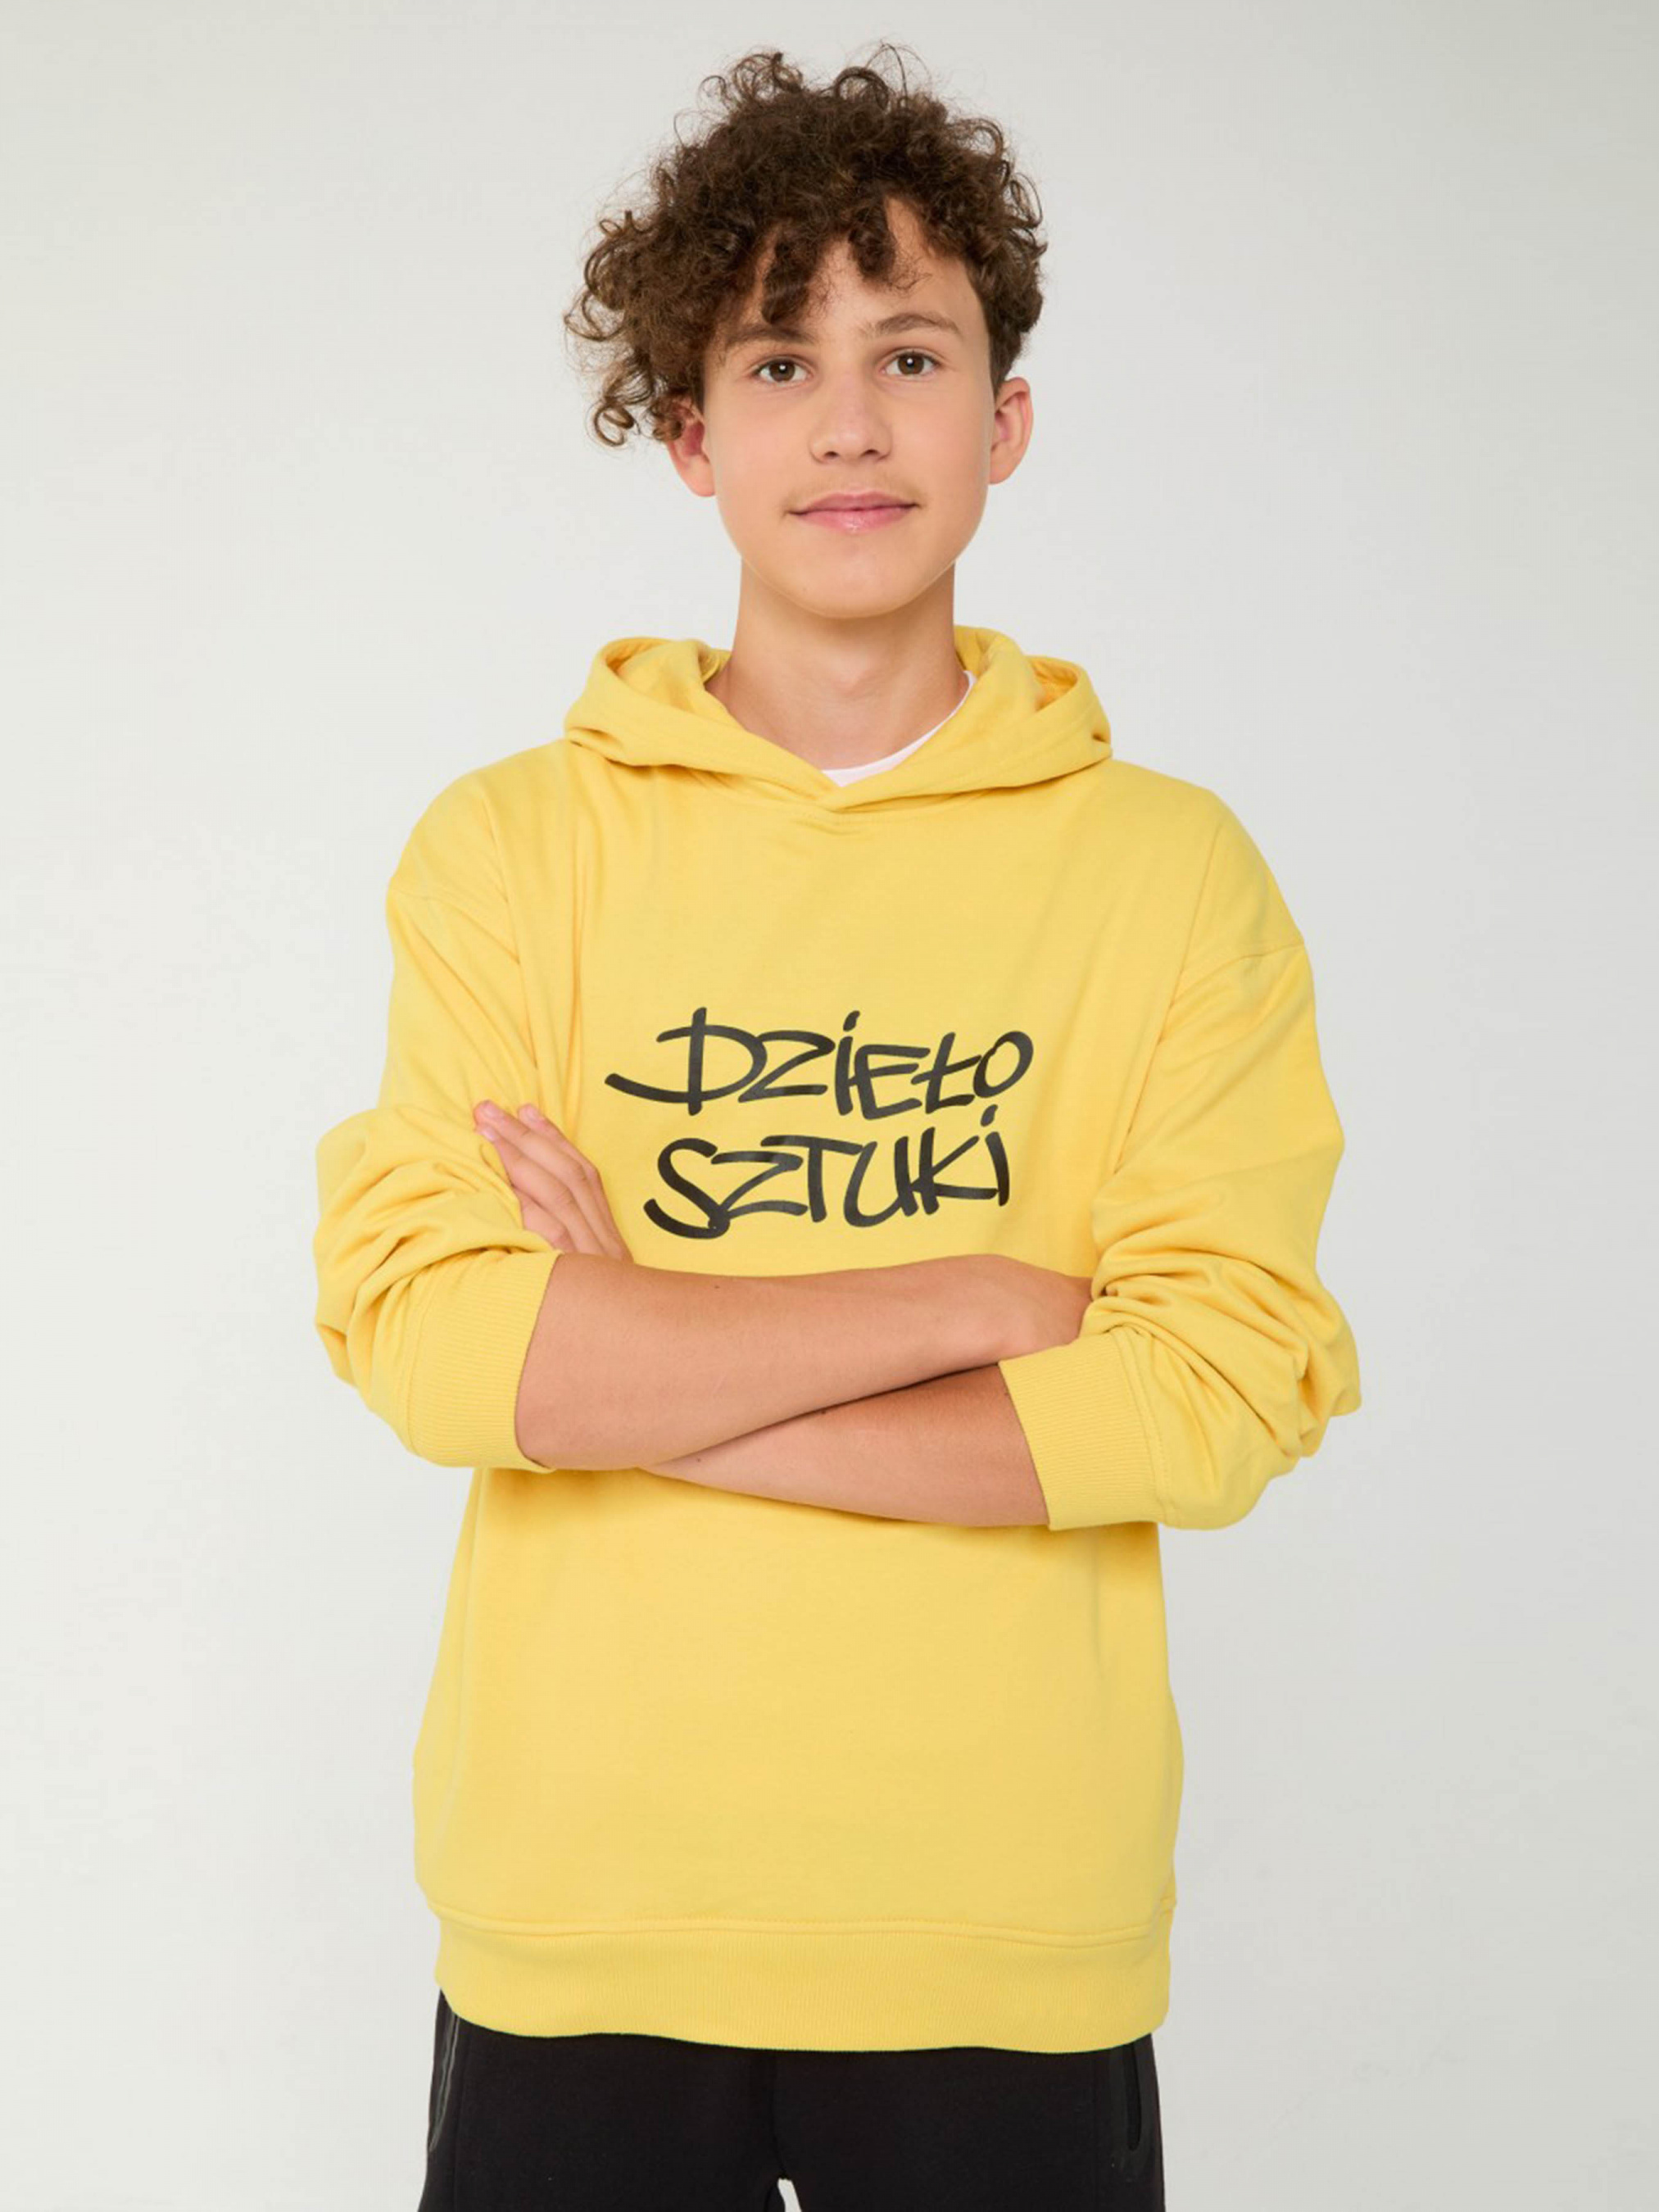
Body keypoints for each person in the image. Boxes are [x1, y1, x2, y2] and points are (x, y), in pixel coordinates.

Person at [311, 42, 1362, 2212]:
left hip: (1004, 1925)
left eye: (911, 354)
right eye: (781, 362)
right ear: (693, 436)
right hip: (584, 1903)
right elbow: (436, 1345)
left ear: (1006, 418)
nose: (854, 423)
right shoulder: (512, 852)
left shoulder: (1171, 877)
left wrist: (639, 1371)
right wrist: (972, 1300)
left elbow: (1209, 1396)